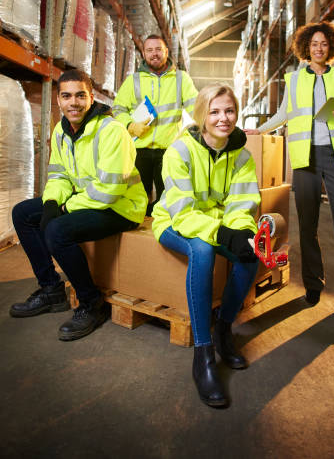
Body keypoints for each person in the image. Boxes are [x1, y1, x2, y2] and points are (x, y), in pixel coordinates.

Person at [245, 21, 334, 313]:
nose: (319, 48)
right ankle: (313, 284)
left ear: (331, 47)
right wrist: (260, 131)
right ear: (306, 47)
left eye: (324, 44)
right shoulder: (295, 79)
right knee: (308, 225)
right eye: (314, 44)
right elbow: (284, 113)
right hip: (304, 159)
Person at [10, 69, 148, 341]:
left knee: (57, 231)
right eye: (66, 96)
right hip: (86, 200)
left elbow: (109, 191)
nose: (73, 102)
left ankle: (90, 303)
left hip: (121, 207)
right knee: (23, 213)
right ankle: (51, 290)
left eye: (80, 96)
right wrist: (51, 202)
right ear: (59, 100)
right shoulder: (62, 131)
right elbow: (59, 175)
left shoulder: (111, 130)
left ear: (91, 97)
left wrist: (63, 210)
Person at [152, 83, 261, 408]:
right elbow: (182, 212)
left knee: (249, 254)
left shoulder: (242, 155)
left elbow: (243, 202)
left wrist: (241, 231)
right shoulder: (179, 151)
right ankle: (203, 354)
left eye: (229, 111)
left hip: (218, 222)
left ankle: (223, 329)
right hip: (174, 222)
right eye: (214, 111)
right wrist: (223, 233)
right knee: (201, 250)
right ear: (201, 115)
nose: (223, 118)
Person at [113, 34, 198, 216]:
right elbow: (118, 109)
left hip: (168, 151)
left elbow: (197, 108)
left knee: (167, 202)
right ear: (143, 54)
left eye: (158, 49)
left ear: (166, 52)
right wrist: (129, 125)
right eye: (150, 50)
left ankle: (159, 239)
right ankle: (137, 240)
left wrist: (191, 135)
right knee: (137, 201)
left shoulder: (181, 79)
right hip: (139, 150)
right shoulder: (133, 80)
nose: (154, 54)